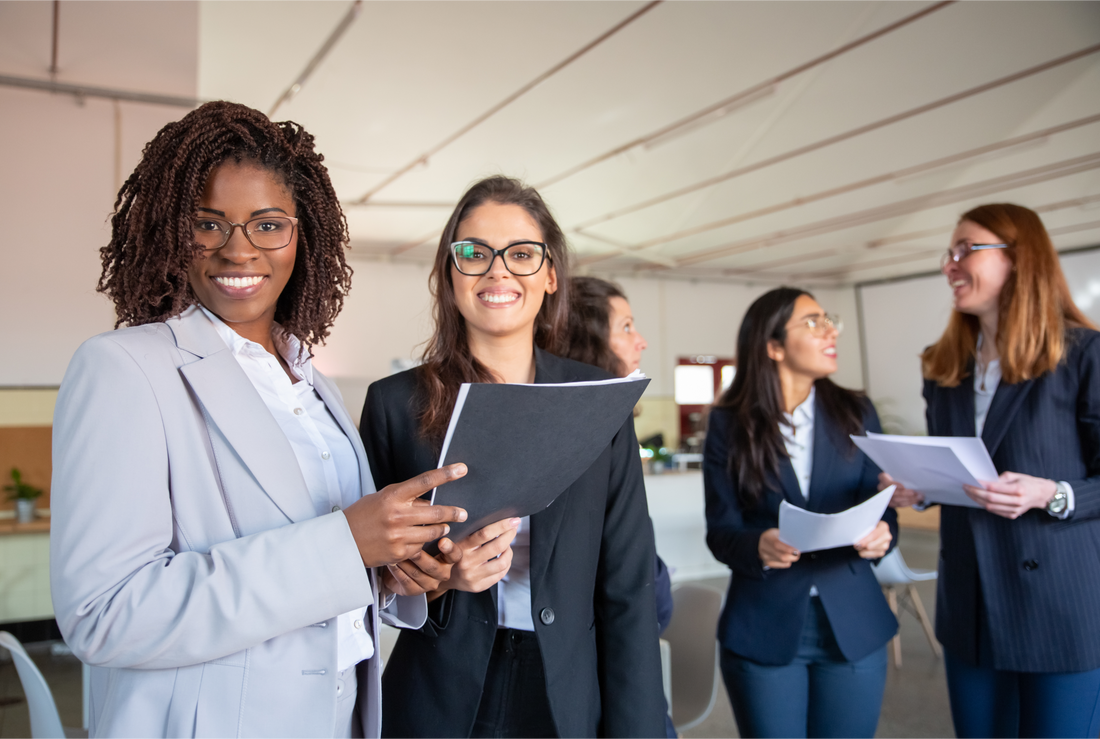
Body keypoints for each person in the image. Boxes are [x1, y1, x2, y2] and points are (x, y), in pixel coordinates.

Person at [49, 101, 469, 739]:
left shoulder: (311, 381)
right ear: (171, 229)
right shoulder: (124, 368)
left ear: (302, 235)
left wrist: (387, 573)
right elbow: (103, 615)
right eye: (208, 224)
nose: (238, 250)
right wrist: (344, 545)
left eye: (268, 224)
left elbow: (330, 574)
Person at [361, 176, 666, 739]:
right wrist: (439, 581)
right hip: (437, 689)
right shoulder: (394, 404)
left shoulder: (600, 401)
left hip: (566, 689)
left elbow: (628, 587)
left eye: (521, 254)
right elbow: (367, 578)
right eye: (474, 253)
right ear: (449, 272)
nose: (498, 270)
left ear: (550, 276)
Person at [884, 203, 1100, 739]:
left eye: (965, 250)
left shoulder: (1084, 354)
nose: (950, 266)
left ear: (1020, 259)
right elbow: (956, 469)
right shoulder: (945, 365)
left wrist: (1054, 493)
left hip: (1059, 607)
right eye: (948, 254)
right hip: (969, 603)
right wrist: (918, 487)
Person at [703, 287, 897, 739]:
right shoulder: (729, 423)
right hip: (764, 625)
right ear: (772, 346)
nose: (830, 331)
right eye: (812, 322)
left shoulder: (857, 411)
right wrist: (758, 544)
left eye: (828, 320)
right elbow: (721, 532)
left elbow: (882, 510)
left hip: (854, 625)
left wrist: (883, 534)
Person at [564, 276, 676, 739]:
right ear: (589, 340)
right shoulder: (579, 440)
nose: (641, 340)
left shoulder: (610, 429)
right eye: (626, 326)